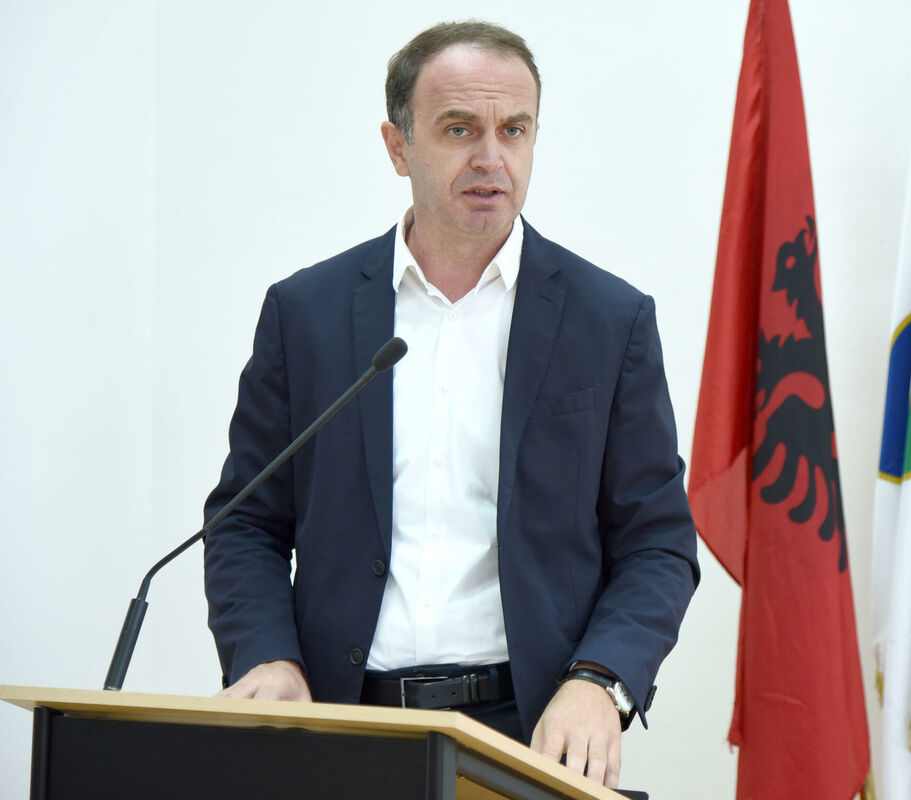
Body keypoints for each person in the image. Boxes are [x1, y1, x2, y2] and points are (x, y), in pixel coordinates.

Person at [202, 20, 699, 790]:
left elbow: (657, 542)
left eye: (514, 130)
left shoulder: (609, 320)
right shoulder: (307, 314)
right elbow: (245, 523)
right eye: (459, 129)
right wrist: (267, 656)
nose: (491, 158)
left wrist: (601, 681)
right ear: (397, 147)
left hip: (528, 733)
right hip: (340, 725)